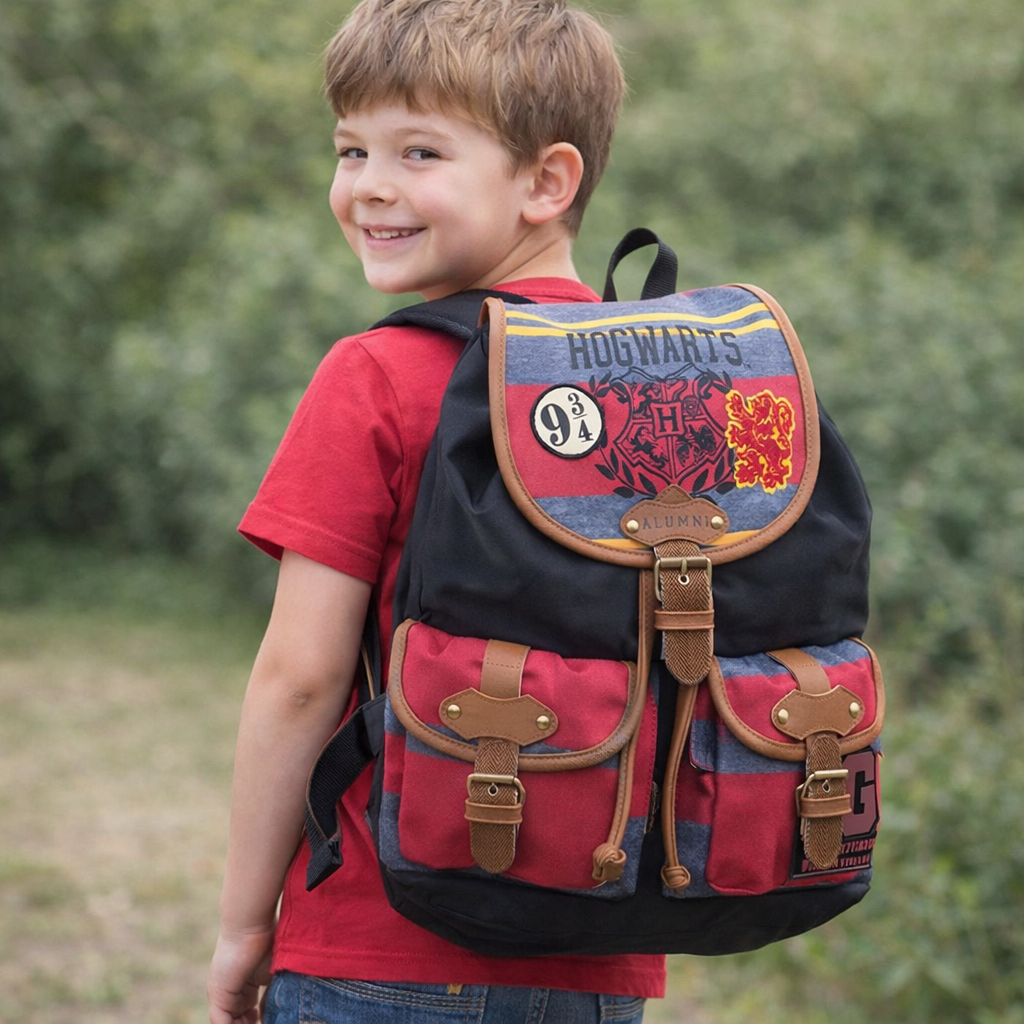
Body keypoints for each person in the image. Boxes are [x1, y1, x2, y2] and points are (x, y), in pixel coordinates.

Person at [206, 1, 666, 1021]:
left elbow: (300, 679)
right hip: (597, 949)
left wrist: (245, 926)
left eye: (418, 151)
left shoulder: (377, 374)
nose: (370, 185)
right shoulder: (658, 387)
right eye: (350, 148)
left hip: (378, 947)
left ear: (547, 181)